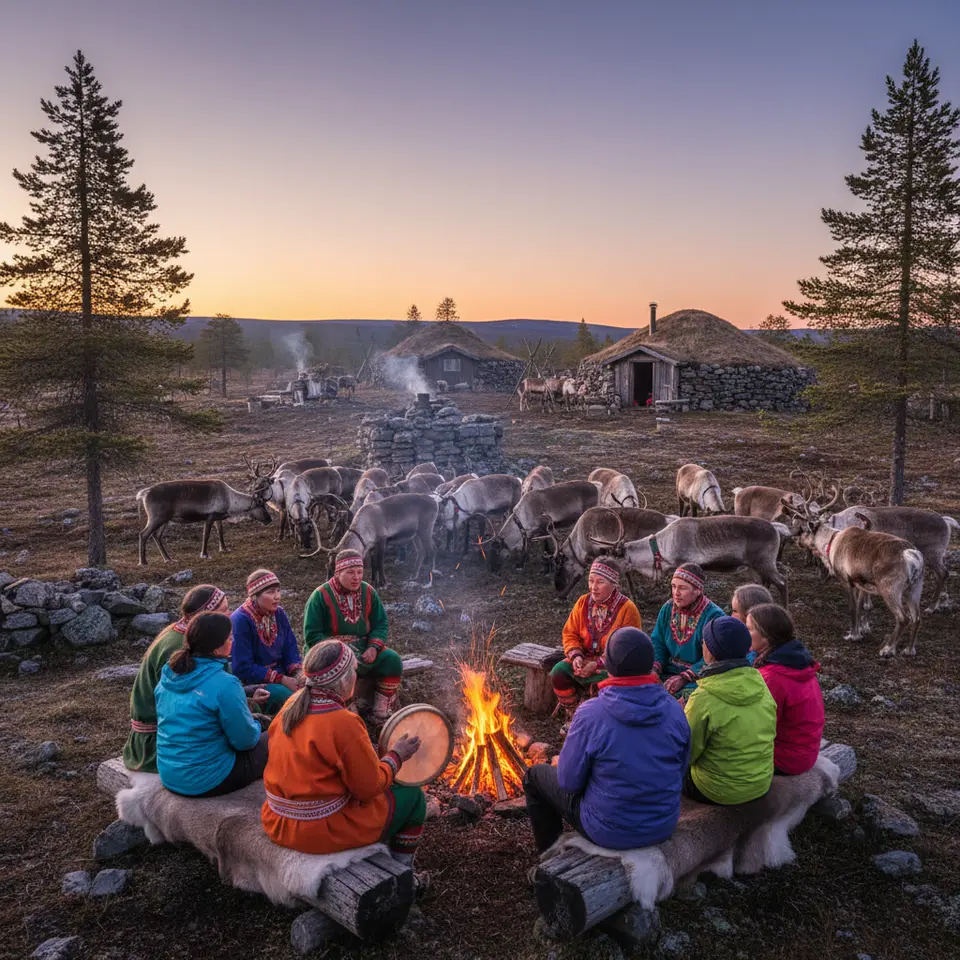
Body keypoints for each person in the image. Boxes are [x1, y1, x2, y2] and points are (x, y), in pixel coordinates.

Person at [524, 627, 690, 853]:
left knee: (534, 776)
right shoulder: (674, 708)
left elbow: (568, 782)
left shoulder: (592, 713)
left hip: (609, 830)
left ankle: (549, 855)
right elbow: (680, 768)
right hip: (662, 824)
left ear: (609, 665)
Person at [261, 640, 426, 865]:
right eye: (355, 672)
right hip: (320, 830)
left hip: (277, 821)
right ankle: (403, 871)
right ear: (345, 679)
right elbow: (368, 789)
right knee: (414, 797)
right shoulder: (344, 722)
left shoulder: (291, 705)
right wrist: (396, 756)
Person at [155, 612, 268, 797]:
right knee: (276, 735)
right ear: (216, 649)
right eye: (230, 637)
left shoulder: (170, 674)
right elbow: (245, 742)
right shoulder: (225, 683)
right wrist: (256, 725)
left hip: (170, 773)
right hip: (208, 779)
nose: (233, 641)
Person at [123, 584, 230, 774]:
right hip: (162, 744)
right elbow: (189, 706)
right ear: (207, 620)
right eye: (223, 611)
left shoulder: (182, 632)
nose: (230, 615)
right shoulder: (180, 647)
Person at [683, 616, 776, 805]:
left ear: (709, 652)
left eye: (704, 642)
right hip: (760, 782)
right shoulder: (760, 683)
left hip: (717, 790)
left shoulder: (703, 697)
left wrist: (679, 717)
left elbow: (687, 753)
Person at [302, 550, 403, 721]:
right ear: (337, 572)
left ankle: (380, 711)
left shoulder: (368, 592)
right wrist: (342, 653)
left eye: (359, 572)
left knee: (392, 659)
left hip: (363, 648)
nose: (356, 577)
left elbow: (380, 623)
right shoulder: (320, 596)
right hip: (328, 653)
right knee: (343, 668)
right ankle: (347, 709)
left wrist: (373, 647)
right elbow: (312, 636)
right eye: (350, 572)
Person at [551, 559, 641, 723]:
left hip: (614, 667)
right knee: (558, 672)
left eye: (600, 582)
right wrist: (576, 656)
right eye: (591, 580)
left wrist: (598, 664)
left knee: (604, 685)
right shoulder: (583, 603)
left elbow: (628, 650)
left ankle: (597, 719)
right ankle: (575, 714)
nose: (593, 587)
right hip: (584, 660)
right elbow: (570, 633)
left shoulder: (628, 609)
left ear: (614, 584)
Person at [747, 603, 825, 776]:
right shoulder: (797, 663)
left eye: (749, 629)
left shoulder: (771, 678)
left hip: (785, 758)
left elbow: (758, 728)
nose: (745, 634)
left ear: (766, 636)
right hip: (804, 751)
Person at [231, 569, 304, 714]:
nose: (277, 597)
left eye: (278, 591)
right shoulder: (240, 620)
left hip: (282, 673)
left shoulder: (279, 613)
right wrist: (281, 679)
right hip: (254, 682)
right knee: (290, 699)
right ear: (254, 596)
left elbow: (290, 647)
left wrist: (297, 673)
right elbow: (242, 667)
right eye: (270, 592)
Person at [650, 564, 724, 698]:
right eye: (673, 586)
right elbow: (658, 642)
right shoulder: (667, 608)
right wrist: (655, 669)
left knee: (690, 696)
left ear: (698, 590)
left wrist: (684, 677)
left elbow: (713, 657)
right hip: (666, 670)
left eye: (682, 588)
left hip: (698, 678)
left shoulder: (714, 616)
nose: (676, 593)